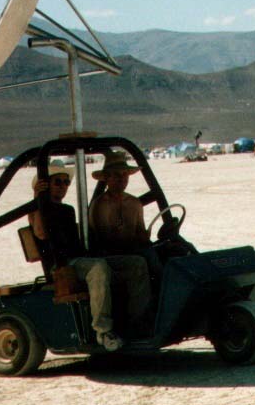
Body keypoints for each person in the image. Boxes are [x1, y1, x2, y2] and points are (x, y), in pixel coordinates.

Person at [29, 164, 151, 351]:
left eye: (66, 182)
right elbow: (40, 232)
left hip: (79, 260)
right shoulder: (38, 210)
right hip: (62, 266)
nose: (63, 186)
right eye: (57, 182)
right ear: (46, 185)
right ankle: (104, 331)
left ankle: (137, 323)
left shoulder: (67, 210)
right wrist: (38, 198)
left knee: (136, 263)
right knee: (98, 268)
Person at [89, 150, 164, 282]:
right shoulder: (100, 204)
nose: (122, 178)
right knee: (145, 259)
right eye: (117, 175)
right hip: (108, 256)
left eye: (125, 174)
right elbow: (105, 240)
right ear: (107, 178)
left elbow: (140, 233)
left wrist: (144, 237)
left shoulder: (134, 203)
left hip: (131, 250)